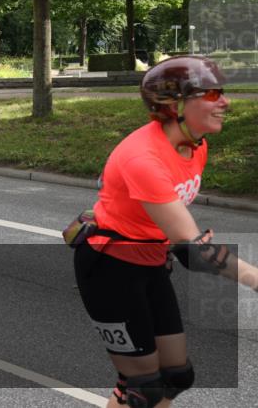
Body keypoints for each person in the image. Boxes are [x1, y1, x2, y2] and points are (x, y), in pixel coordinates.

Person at [72, 56, 258, 407]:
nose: (226, 102)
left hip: (150, 262)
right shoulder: (143, 158)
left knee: (176, 376)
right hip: (109, 267)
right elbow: (193, 252)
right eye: (212, 93)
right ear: (175, 105)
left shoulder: (195, 144)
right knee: (143, 387)